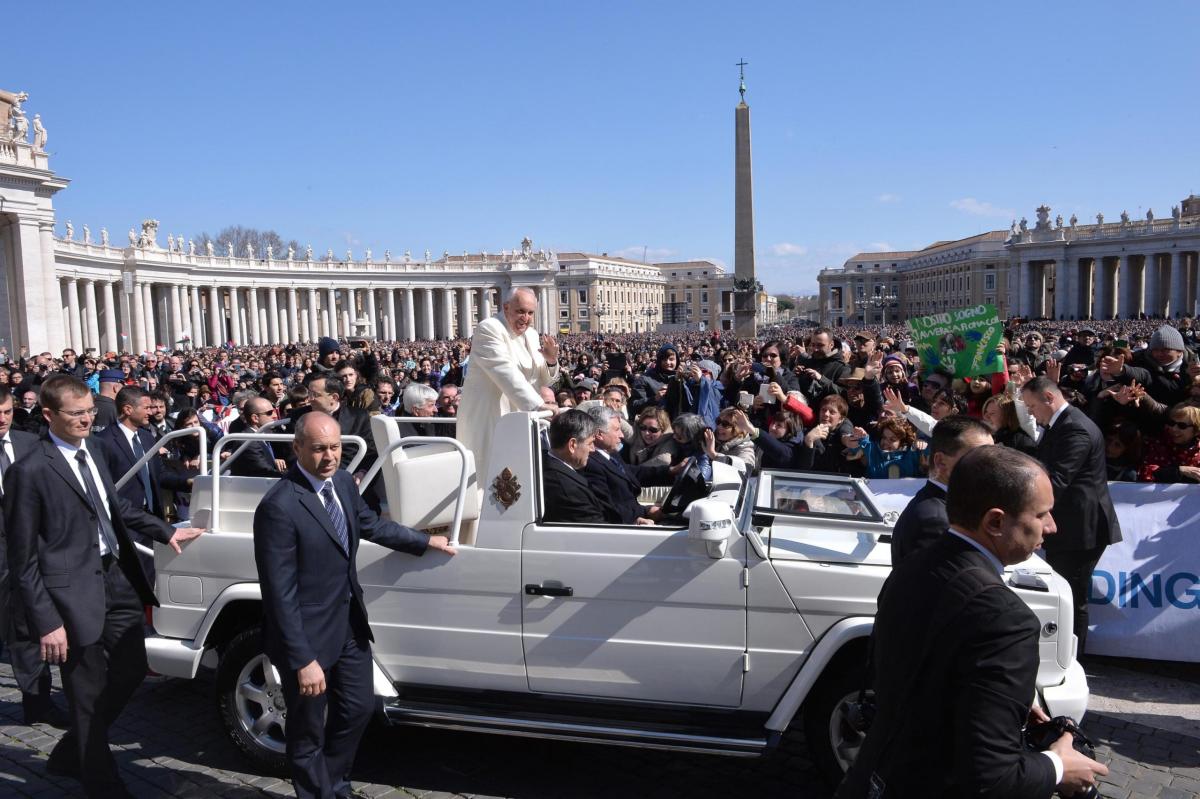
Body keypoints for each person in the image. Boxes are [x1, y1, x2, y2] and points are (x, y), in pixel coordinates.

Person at [837, 446, 1107, 798]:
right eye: (1041, 514)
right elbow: (991, 779)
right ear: (995, 522)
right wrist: (1058, 766)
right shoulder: (1006, 620)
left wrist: (1003, 702)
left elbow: (919, 674)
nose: (1052, 527)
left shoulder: (912, 567)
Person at [4, 374, 203, 796]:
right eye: (76, 415)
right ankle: (100, 780)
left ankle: (73, 748)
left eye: (91, 413)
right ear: (48, 415)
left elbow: (113, 506)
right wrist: (46, 621)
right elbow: (22, 559)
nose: (87, 421)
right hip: (69, 593)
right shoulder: (30, 470)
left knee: (132, 668)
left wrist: (162, 531)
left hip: (115, 576)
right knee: (86, 691)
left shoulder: (92, 448)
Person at [253, 412, 456, 799]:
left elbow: (370, 525)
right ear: (297, 449)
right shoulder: (279, 507)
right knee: (308, 728)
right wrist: (302, 660)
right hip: (307, 639)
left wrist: (424, 542)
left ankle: (333, 783)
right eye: (318, 449)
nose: (329, 457)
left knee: (359, 709)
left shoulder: (343, 483)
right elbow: (278, 593)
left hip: (348, 626)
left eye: (335, 448)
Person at [1021, 376, 1122, 655]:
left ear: (1049, 398)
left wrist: (1019, 500)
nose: (1030, 411)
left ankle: (1071, 659)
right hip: (1070, 526)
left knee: (1071, 597)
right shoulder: (1062, 424)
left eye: (1031, 405)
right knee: (1065, 594)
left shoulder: (1075, 428)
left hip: (1080, 529)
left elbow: (1057, 480)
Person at [0, 391, 64, 727]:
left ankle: (38, 703)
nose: (2, 419)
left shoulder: (30, 442)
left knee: (25, 631)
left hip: (28, 552)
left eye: (7, 412)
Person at [457, 287, 558, 480]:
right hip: (491, 415)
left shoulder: (531, 334)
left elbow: (542, 378)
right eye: (520, 311)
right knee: (489, 478)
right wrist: (537, 405)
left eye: (530, 313)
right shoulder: (490, 328)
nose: (525, 318)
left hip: (522, 417)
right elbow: (504, 371)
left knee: (521, 477)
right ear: (505, 307)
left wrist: (551, 361)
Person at [890, 416, 993, 566]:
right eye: (979, 458)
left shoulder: (941, 508)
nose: (991, 467)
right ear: (941, 462)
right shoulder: (936, 522)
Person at [581, 406, 668, 525]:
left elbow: (630, 472)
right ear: (599, 434)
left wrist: (671, 471)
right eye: (617, 430)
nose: (622, 435)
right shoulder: (590, 464)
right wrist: (645, 511)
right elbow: (606, 508)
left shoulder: (610, 452)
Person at [540, 409, 607, 524]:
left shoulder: (547, 463)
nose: (593, 449)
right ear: (572, 445)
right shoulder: (567, 490)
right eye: (590, 443)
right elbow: (597, 531)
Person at [228, 397, 285, 477]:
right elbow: (265, 472)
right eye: (269, 413)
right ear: (255, 418)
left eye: (274, 411)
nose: (275, 415)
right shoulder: (248, 442)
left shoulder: (260, 436)